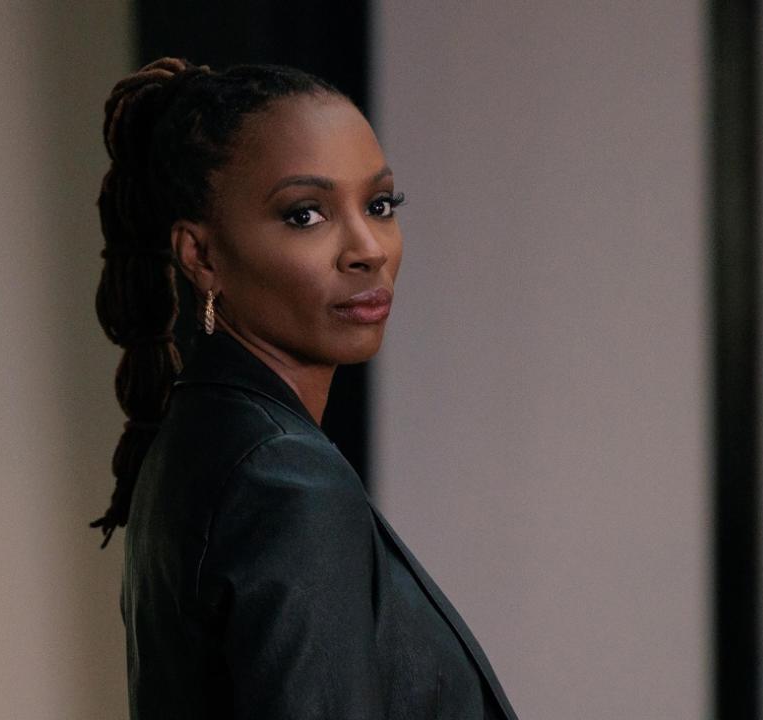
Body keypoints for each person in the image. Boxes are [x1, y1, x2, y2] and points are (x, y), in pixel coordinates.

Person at [90, 57, 519, 720]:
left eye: (379, 205)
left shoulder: (198, 439)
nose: (368, 249)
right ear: (202, 256)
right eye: (305, 215)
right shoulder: (285, 479)